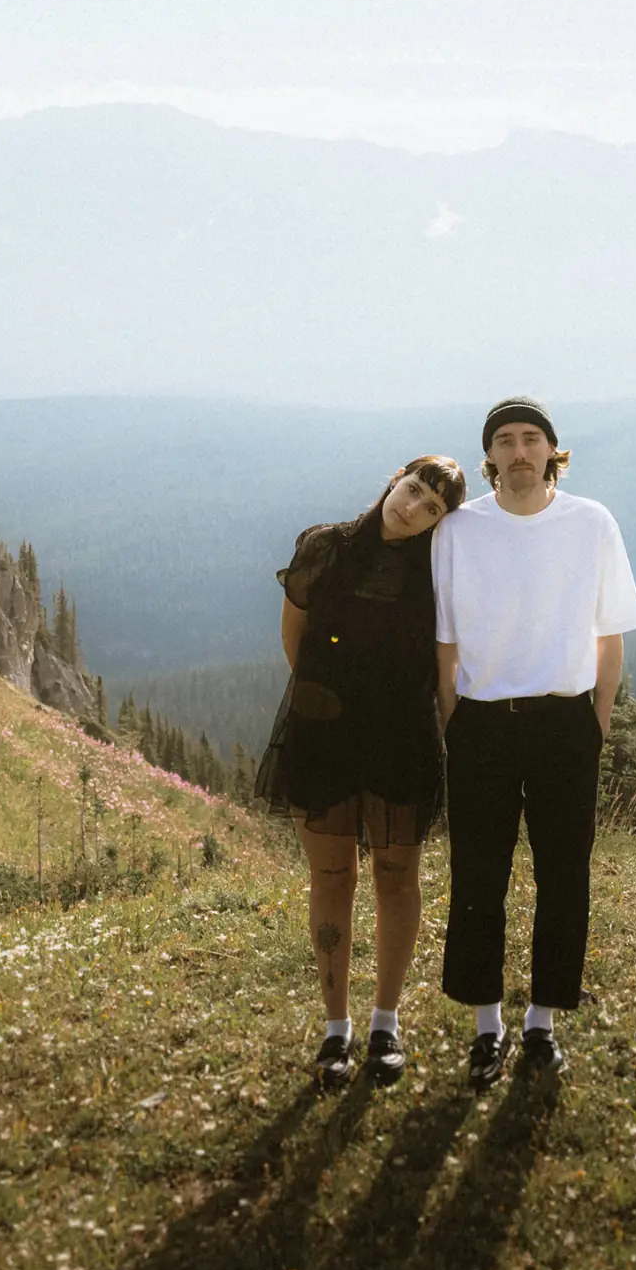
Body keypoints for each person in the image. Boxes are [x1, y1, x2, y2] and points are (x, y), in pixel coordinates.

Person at [432, 396, 636, 1090]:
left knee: (564, 876)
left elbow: (610, 634)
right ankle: (486, 1027)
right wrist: (452, 721)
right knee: (478, 875)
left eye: (532, 438)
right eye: (505, 440)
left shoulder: (591, 523)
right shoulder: (460, 529)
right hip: (483, 723)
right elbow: (445, 639)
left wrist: (596, 721)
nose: (519, 451)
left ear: (553, 450)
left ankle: (542, 1026)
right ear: (488, 456)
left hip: (564, 720)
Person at [255, 453, 469, 1089]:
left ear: (438, 522)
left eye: (431, 508)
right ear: (393, 482)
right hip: (324, 735)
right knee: (332, 876)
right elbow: (295, 638)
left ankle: (386, 1023)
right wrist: (329, 699)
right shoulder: (325, 548)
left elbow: (444, 660)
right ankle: (334, 1031)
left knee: (396, 876)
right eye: (411, 490)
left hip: (404, 736)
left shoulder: (436, 572)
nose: (412, 509)